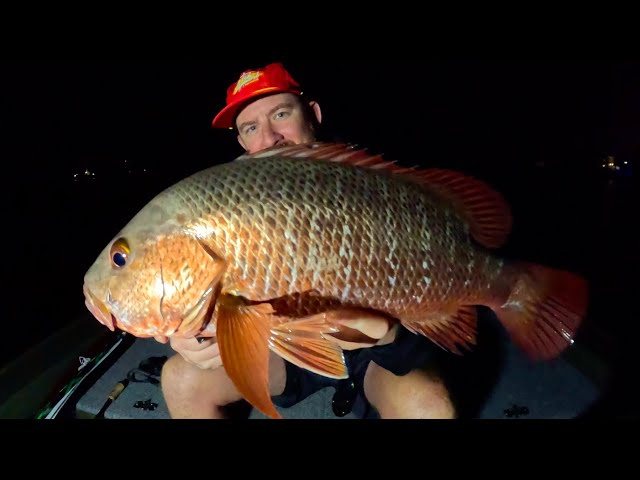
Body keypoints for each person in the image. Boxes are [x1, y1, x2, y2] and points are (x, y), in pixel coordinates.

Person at [155, 62, 457, 419]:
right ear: (241, 142)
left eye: (281, 114)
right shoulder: (226, 210)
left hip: (373, 354)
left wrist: (391, 338)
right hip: (288, 353)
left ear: (312, 114)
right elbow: (229, 302)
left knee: (428, 406)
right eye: (251, 127)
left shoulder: (366, 179)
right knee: (179, 378)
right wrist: (199, 335)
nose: (269, 138)